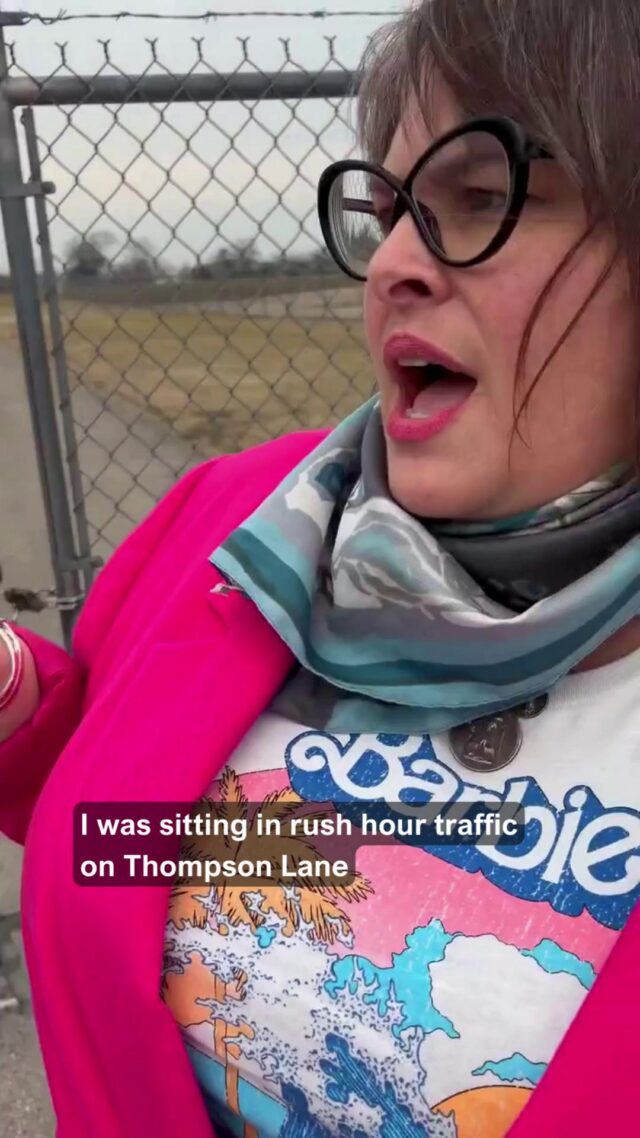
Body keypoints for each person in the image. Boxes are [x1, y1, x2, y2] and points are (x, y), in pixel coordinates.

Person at [1, 1, 639, 1135]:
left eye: (481, 201)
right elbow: (129, 811)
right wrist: (14, 706)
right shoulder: (244, 520)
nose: (393, 262)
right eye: (390, 211)